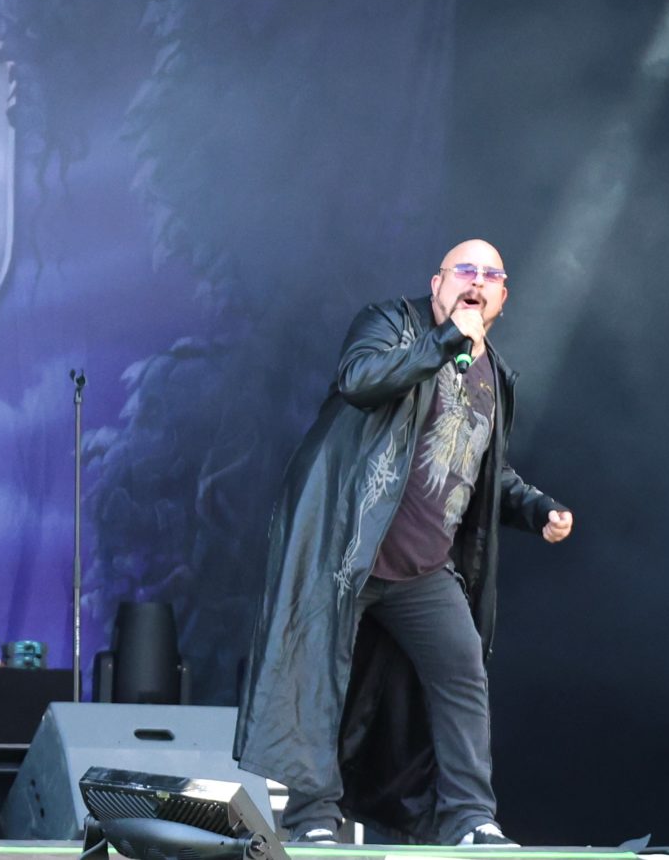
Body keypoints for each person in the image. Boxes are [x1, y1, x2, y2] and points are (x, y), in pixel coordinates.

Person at [236, 239, 572, 847]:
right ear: (437, 282)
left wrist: (537, 508)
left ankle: (471, 819)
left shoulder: (495, 376)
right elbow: (359, 380)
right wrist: (445, 341)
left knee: (463, 672)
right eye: (464, 270)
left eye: (490, 275)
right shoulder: (391, 323)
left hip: (422, 568)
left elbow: (481, 469)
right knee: (319, 680)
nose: (476, 281)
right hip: (348, 550)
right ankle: (313, 819)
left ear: (503, 297)